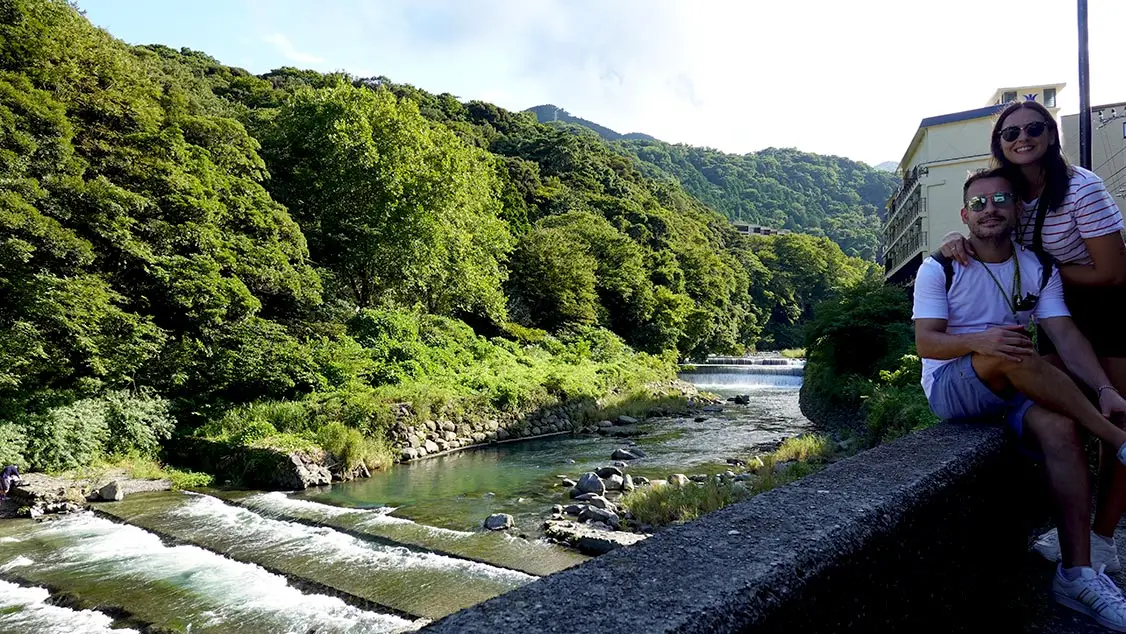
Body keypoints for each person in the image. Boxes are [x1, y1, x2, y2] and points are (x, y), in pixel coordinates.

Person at [915, 167, 1126, 630]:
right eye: (978, 203)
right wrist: (982, 343)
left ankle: (1077, 574)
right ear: (964, 216)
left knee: (1061, 426)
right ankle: (1115, 437)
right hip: (954, 385)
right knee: (1013, 349)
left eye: (1000, 200)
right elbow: (928, 343)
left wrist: (1107, 389)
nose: (989, 209)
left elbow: (1065, 334)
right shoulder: (941, 266)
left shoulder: (1039, 267)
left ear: (1017, 209)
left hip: (1012, 384)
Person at [939, 100, 1126, 572]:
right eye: (1010, 132)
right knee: (1059, 402)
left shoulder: (1081, 187)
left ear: (1051, 134)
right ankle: (1075, 530)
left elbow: (1112, 270)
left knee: (1118, 413)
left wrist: (1040, 273)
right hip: (1051, 309)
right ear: (999, 143)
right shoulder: (1007, 191)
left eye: (1034, 128)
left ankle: (1102, 538)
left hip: (1109, 305)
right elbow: (985, 221)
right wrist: (958, 243)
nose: (1022, 137)